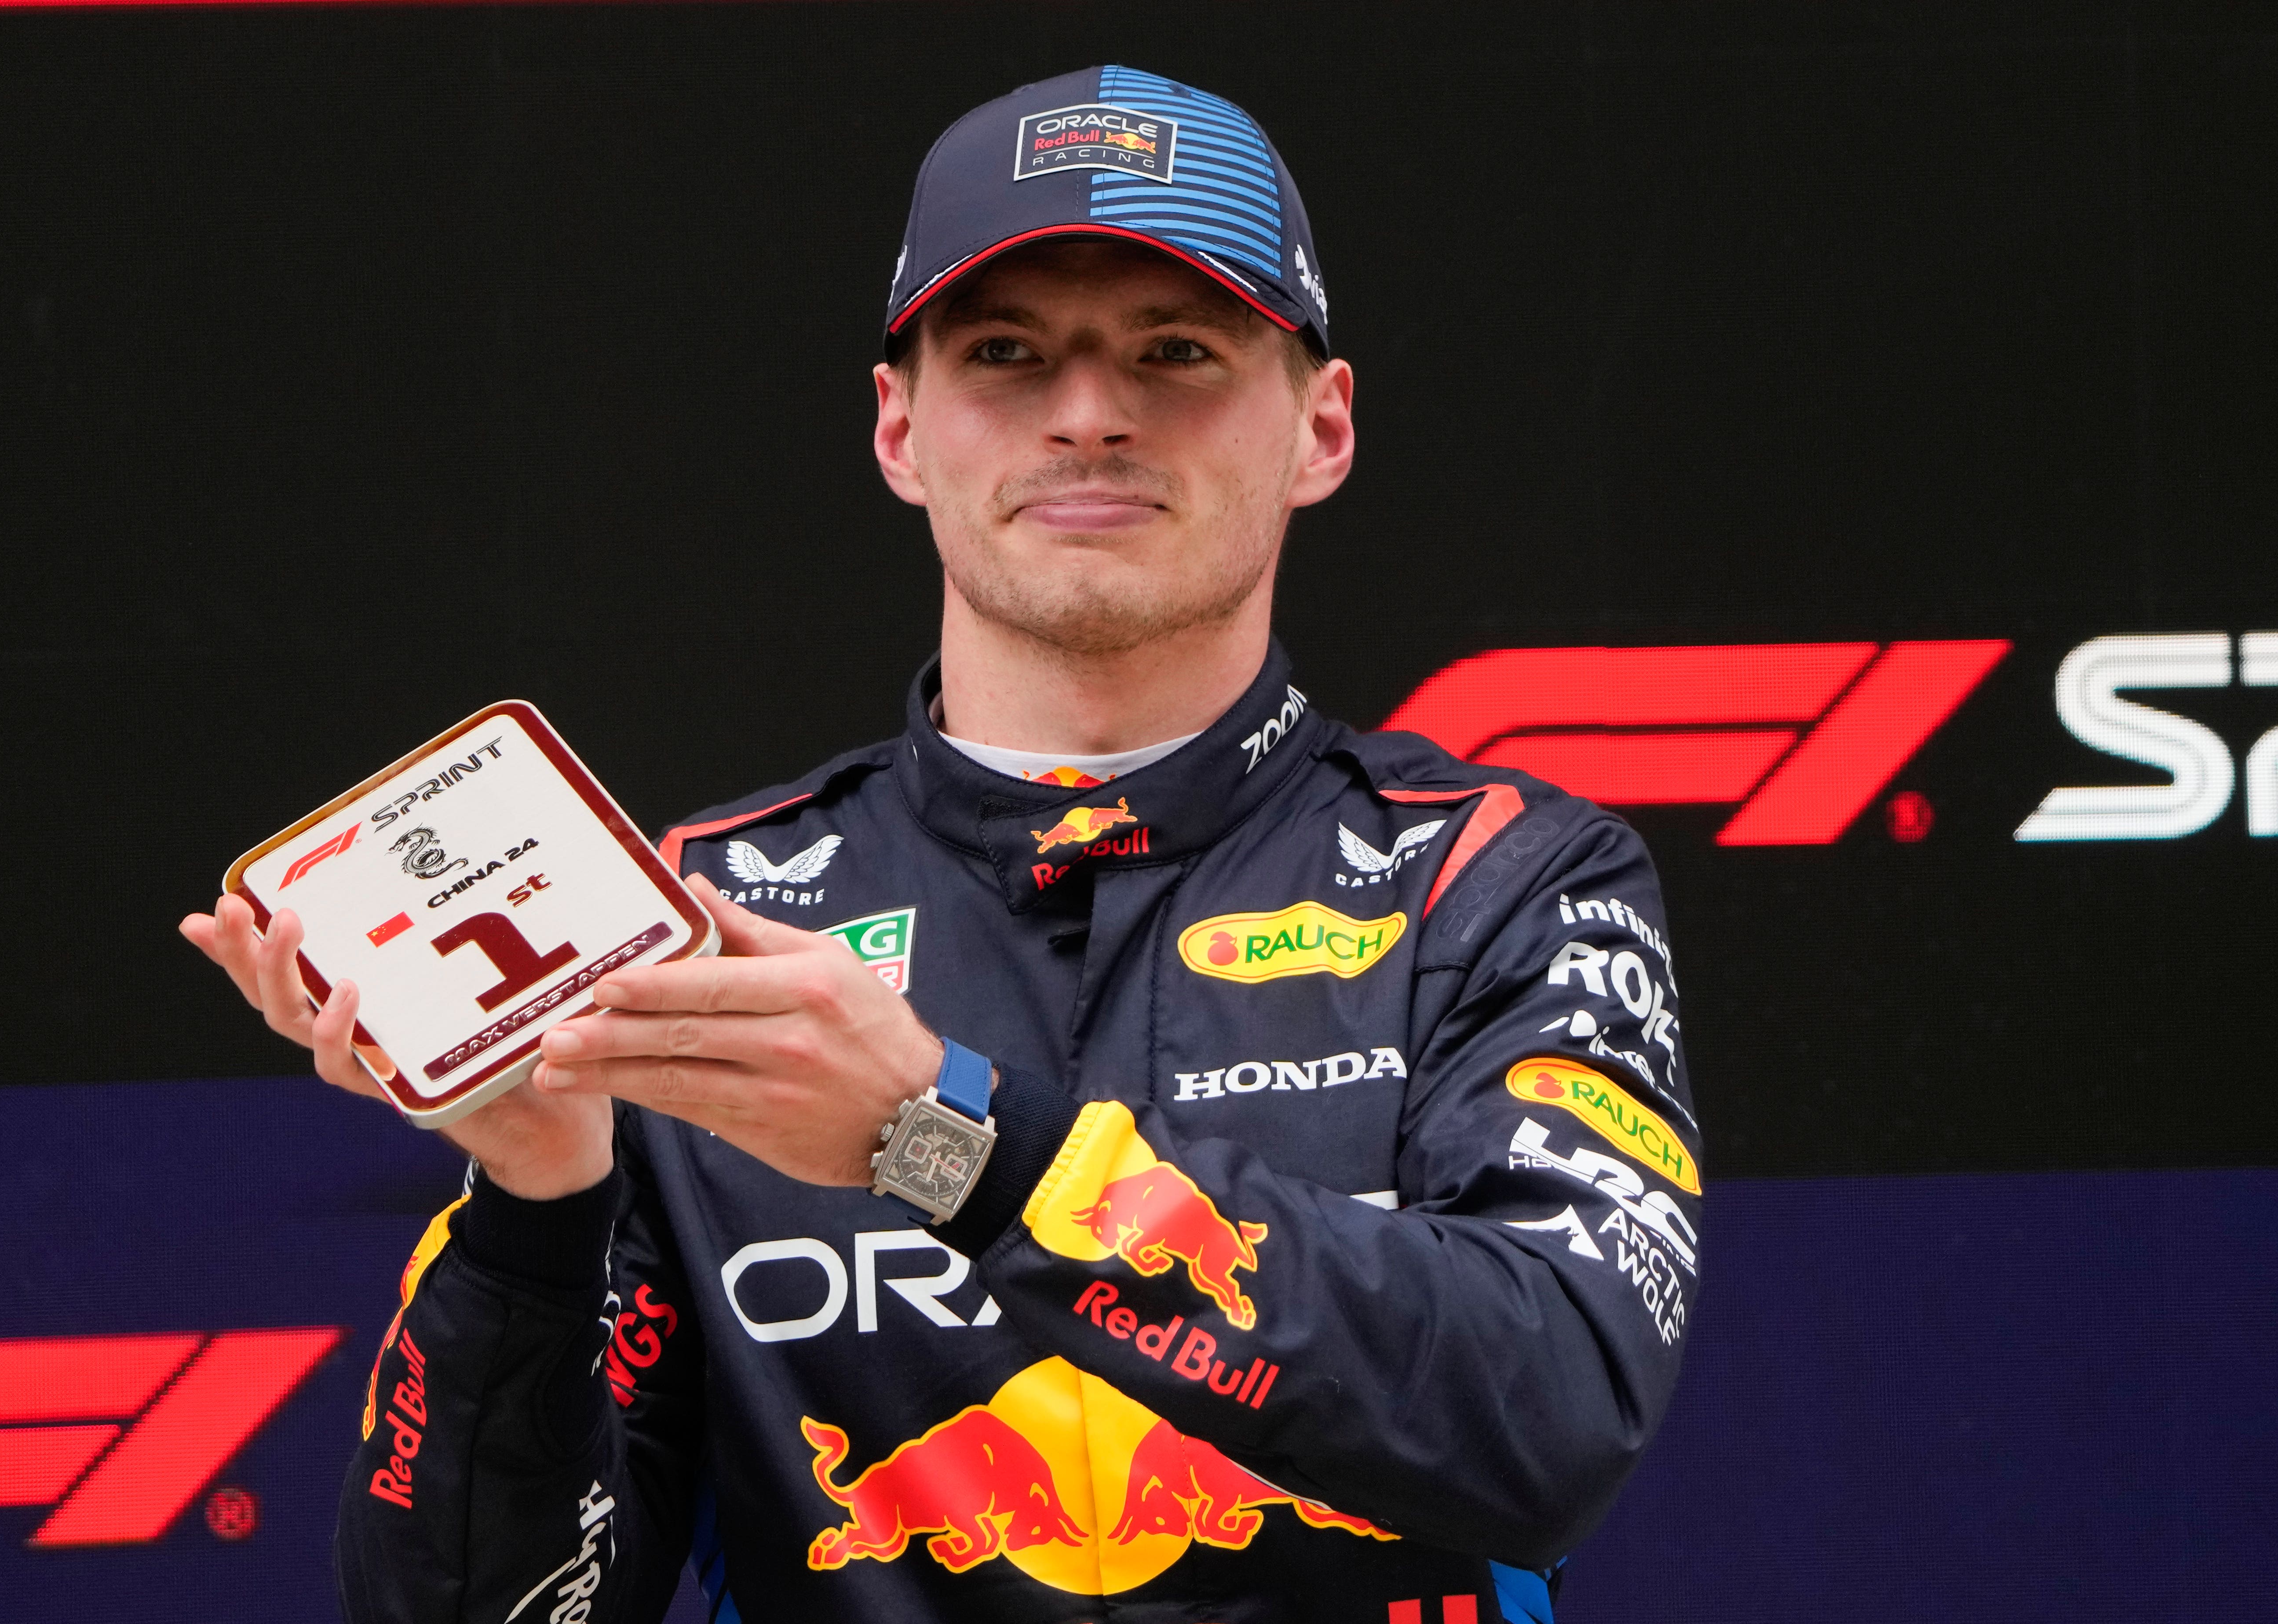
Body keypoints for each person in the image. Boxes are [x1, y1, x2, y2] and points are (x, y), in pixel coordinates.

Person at [183, 65, 1700, 1624]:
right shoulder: (687, 926)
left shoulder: (1501, 880)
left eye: (1174, 352)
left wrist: (938, 1137)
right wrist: (535, 1204)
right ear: (901, 430)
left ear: (1322, 427)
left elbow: (1553, 1420)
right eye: (1006, 354)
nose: (1090, 411)